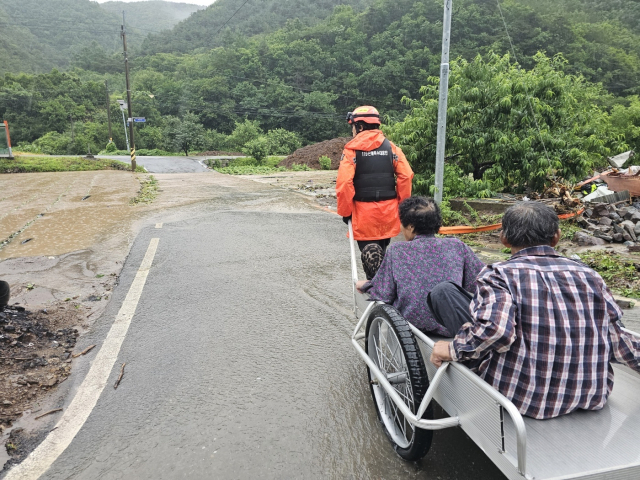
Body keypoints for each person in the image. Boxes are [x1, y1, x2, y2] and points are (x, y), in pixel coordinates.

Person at [429, 201, 640, 420]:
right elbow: (617, 340)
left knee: (445, 292)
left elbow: (497, 331)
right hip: (589, 396)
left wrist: (453, 348)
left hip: (519, 399)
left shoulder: (498, 275)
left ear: (504, 238)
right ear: (556, 237)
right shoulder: (590, 276)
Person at [356, 197, 484, 336]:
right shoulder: (456, 245)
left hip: (409, 325)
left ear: (410, 226)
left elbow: (384, 294)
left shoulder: (397, 250)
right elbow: (480, 282)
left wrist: (366, 285)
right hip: (450, 326)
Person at [336, 105, 414, 270]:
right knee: (382, 254)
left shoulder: (351, 151)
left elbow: (344, 184)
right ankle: (383, 283)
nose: (352, 131)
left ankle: (374, 286)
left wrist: (345, 211)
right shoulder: (392, 148)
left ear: (360, 126)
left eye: (353, 127)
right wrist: (402, 205)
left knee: (370, 258)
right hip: (387, 214)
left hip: (363, 216)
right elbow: (406, 176)